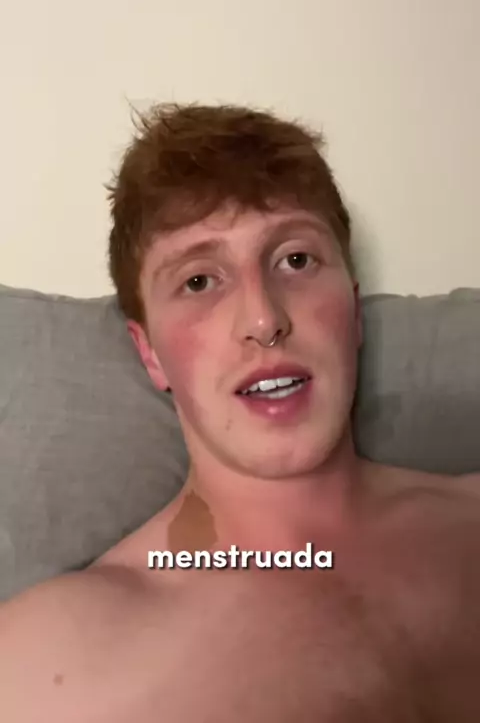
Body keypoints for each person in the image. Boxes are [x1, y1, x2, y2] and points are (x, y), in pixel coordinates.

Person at [1, 103, 479, 722]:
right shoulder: (49, 660)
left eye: (296, 260)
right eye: (199, 281)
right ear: (149, 353)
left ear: (354, 312)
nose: (263, 319)